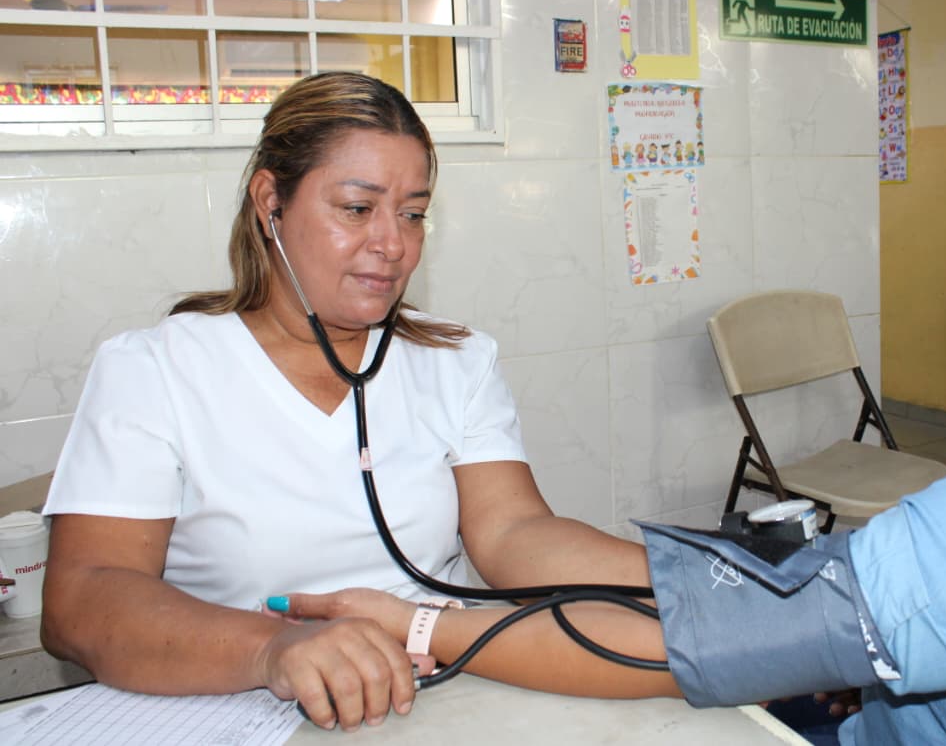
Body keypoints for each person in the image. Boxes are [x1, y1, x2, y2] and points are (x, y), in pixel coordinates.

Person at [265, 107, 946, 745]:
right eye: (358, 208)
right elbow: (849, 602)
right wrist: (848, 641)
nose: (389, 245)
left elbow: (671, 648)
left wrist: (416, 623)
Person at [39, 72, 661, 731]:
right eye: (358, 209)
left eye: (413, 214)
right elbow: (80, 603)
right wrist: (272, 649)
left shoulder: (458, 361)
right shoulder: (155, 370)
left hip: (436, 699)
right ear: (270, 203)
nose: (393, 245)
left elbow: (514, 533)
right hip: (242, 709)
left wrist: (687, 571)